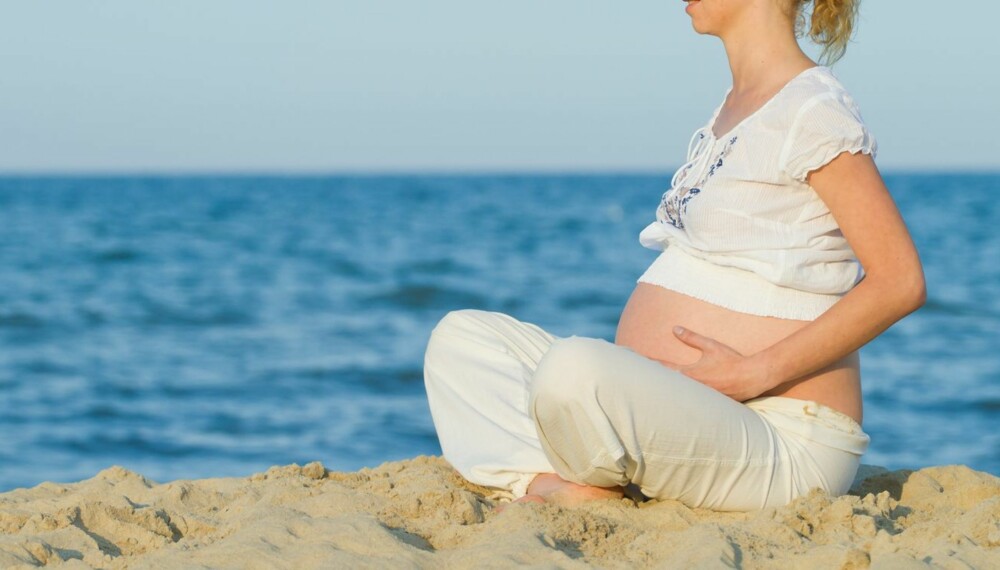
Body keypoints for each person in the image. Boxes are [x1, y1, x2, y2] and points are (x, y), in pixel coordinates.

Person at [423, 0, 926, 512]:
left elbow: (899, 280)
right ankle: (565, 485)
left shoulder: (812, 110)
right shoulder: (736, 107)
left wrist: (755, 372)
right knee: (462, 340)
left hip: (782, 435)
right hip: (702, 416)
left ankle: (578, 480)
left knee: (573, 370)